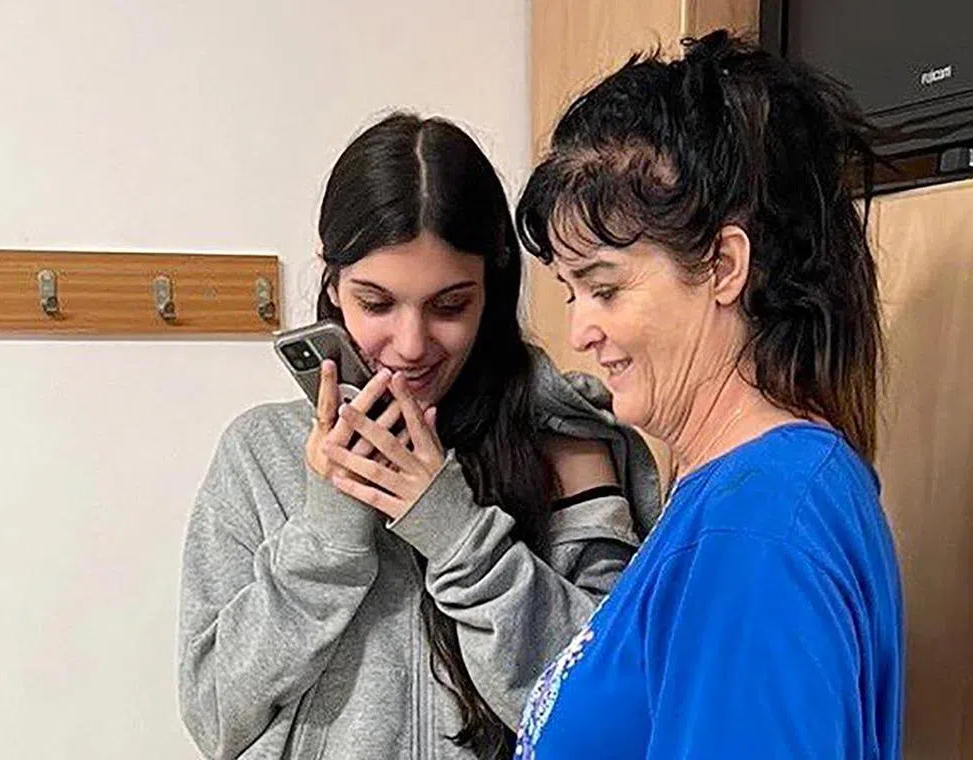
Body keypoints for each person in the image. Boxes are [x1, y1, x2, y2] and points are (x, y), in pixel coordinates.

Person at [177, 112, 661, 760]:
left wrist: (457, 535)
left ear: (491, 291)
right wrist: (326, 534)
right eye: (376, 304)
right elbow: (215, 716)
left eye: (449, 306)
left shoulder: (566, 442)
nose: (409, 346)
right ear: (331, 284)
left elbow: (612, 719)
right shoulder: (260, 454)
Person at [512, 30, 904, 759]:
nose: (582, 332)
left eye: (604, 287)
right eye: (571, 294)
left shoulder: (757, 529)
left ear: (724, 265)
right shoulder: (738, 496)